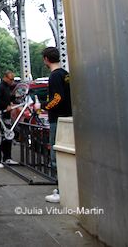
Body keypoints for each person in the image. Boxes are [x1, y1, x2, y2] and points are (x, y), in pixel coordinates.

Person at [41, 47, 72, 203]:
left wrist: (43, 106)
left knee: (56, 155)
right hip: (68, 118)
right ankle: (68, 188)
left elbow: (57, 98)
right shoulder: (65, 74)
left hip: (57, 120)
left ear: (46, 59)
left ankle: (62, 191)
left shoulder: (54, 76)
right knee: (67, 154)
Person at [0, 70, 19, 168]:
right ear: (5, 78)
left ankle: (7, 158)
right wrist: (5, 106)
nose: (12, 81)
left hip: (6, 115)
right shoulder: (0, 87)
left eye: (13, 79)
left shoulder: (7, 87)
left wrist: (14, 100)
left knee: (8, 137)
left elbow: (8, 98)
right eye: (11, 79)